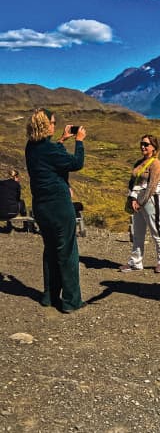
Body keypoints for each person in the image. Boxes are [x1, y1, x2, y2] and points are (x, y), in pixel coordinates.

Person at [24, 109, 85, 313]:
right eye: (52, 122)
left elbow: (49, 157)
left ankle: (49, 296)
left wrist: (61, 140)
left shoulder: (30, 148)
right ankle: (71, 301)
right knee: (67, 252)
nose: (54, 125)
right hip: (59, 206)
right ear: (44, 125)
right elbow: (76, 163)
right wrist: (79, 141)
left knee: (50, 251)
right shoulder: (49, 150)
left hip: (41, 207)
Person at [120, 135, 160, 273]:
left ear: (154, 147)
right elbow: (132, 182)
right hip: (137, 201)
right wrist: (132, 199)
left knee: (156, 231)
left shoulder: (156, 164)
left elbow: (152, 186)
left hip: (150, 201)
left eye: (146, 144)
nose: (143, 146)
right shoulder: (139, 162)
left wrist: (140, 202)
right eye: (142, 144)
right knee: (138, 233)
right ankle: (135, 262)